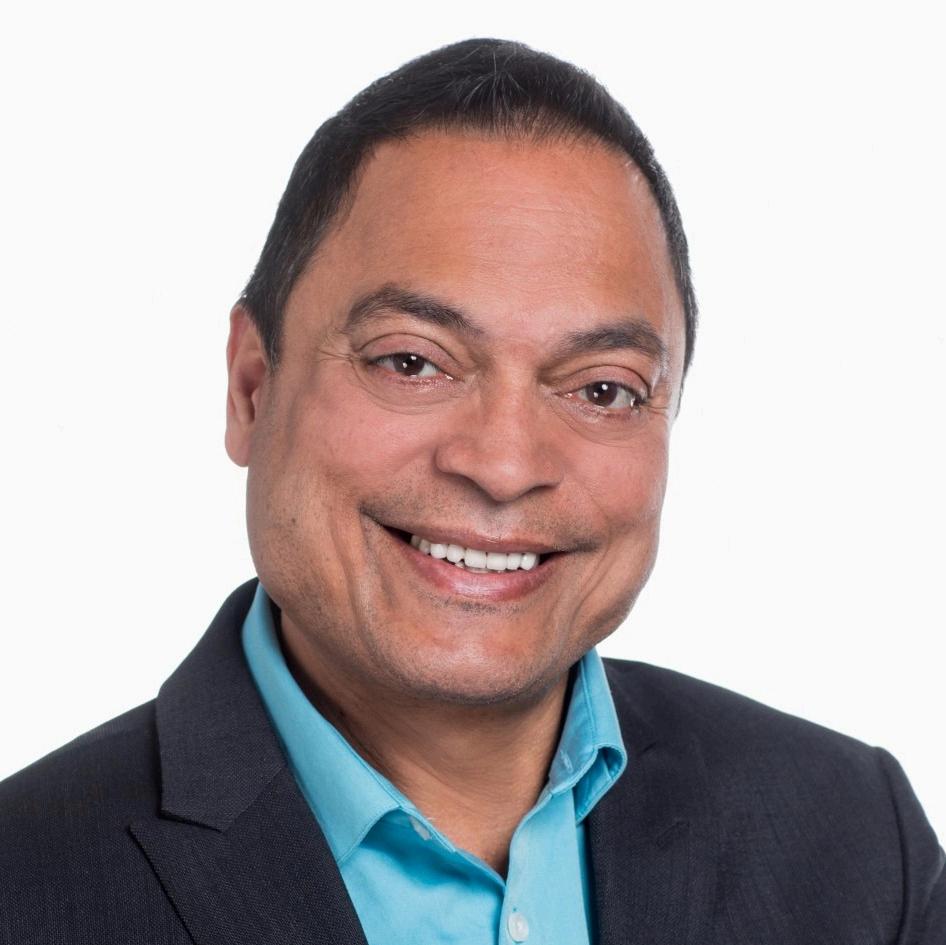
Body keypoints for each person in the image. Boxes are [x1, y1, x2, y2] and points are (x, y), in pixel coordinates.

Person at [0, 37, 942, 945]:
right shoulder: (24, 884)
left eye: (602, 389)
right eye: (412, 362)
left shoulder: (857, 844)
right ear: (252, 387)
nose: (502, 464)